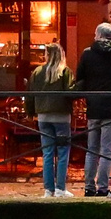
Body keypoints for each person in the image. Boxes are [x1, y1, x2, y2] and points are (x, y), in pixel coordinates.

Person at [75, 21, 111, 197]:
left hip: (94, 105)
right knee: (107, 150)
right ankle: (103, 188)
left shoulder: (88, 54)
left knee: (92, 149)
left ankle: (89, 187)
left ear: (97, 35)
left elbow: (80, 76)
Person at [28, 41, 76, 198]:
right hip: (62, 116)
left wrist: (30, 112)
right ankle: (60, 188)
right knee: (63, 153)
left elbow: (30, 93)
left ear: (48, 55)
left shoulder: (37, 72)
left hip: (43, 116)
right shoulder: (65, 72)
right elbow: (71, 92)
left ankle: (48, 190)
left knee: (47, 153)